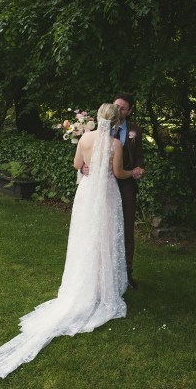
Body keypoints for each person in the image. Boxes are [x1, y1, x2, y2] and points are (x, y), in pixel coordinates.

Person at [0, 104, 139, 380]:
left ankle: (84, 283)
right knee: (105, 238)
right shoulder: (113, 144)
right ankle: (101, 284)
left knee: (86, 238)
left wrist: (88, 167)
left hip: (87, 194)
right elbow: (119, 173)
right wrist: (133, 173)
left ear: (97, 118)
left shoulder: (85, 138)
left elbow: (77, 166)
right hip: (107, 194)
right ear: (117, 119)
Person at [82, 93, 144, 289]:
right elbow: (85, 155)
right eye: (117, 106)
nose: (119, 110)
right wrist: (82, 167)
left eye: (123, 108)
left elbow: (139, 156)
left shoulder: (135, 130)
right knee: (99, 229)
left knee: (125, 229)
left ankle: (126, 274)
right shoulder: (96, 128)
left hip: (125, 187)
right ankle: (98, 276)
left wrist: (138, 169)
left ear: (130, 110)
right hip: (102, 186)